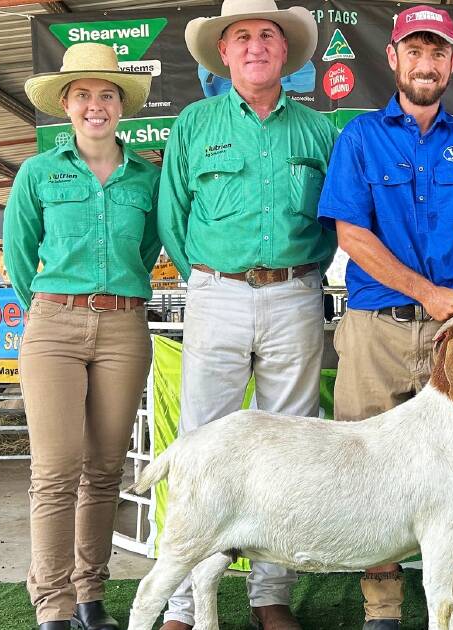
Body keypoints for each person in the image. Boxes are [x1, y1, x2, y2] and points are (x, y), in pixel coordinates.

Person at [316, 6, 453, 630]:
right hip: (377, 325)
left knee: (451, 471)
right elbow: (353, 234)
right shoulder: (360, 137)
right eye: (414, 52)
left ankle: (452, 607)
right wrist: (426, 292)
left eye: (438, 53)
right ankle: (381, 609)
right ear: (394, 59)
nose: (426, 64)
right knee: (367, 468)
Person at [155, 0, 337, 628]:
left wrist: (303, 275)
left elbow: (334, 221)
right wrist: (208, 277)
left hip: (296, 293)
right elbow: (172, 219)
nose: (256, 45)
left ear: (285, 52)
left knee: (291, 447)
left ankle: (270, 595)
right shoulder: (194, 125)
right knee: (202, 446)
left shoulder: (317, 130)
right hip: (217, 293)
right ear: (224, 53)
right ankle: (181, 600)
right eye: (242, 37)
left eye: (268, 35)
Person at [5, 42, 160, 630]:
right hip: (52, 326)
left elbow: (148, 249)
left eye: (106, 95)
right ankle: (54, 604)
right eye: (83, 96)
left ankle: (91, 595)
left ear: (121, 105)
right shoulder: (38, 172)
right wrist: (52, 308)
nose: (96, 106)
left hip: (124, 325)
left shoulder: (145, 175)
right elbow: (20, 257)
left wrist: (113, 297)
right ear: (65, 106)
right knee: (55, 470)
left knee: (104, 469)